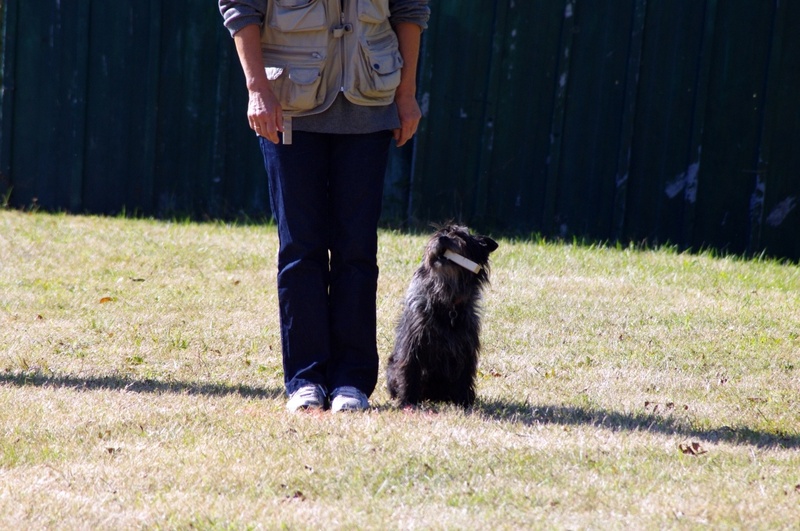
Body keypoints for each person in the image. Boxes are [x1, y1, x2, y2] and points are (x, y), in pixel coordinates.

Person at [219, 0, 430, 412]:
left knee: (356, 249)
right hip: (288, 105)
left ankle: (352, 381)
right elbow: (239, 7)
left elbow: (409, 9)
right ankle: (306, 379)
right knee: (300, 247)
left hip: (370, 104)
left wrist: (406, 93)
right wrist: (257, 88)